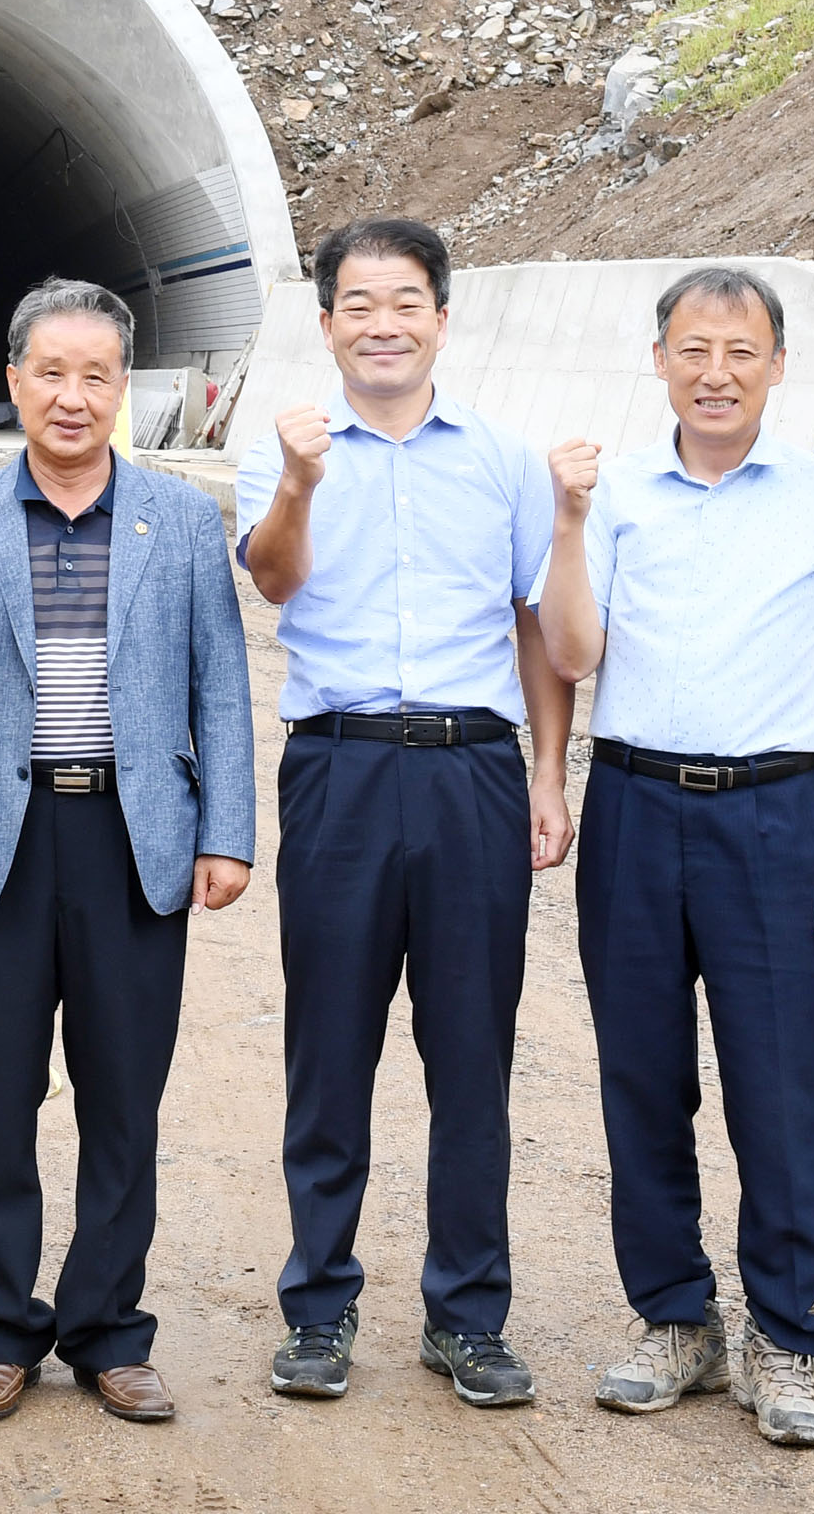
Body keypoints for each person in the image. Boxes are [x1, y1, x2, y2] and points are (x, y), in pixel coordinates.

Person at [537, 264, 814, 1450]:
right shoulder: (615, 494)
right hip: (636, 807)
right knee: (643, 1077)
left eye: (742, 353)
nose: (717, 374)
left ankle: (785, 1338)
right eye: (694, 350)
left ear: (779, 367)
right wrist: (575, 525)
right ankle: (676, 1321)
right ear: (659, 361)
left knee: (779, 1084)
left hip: (775, 817)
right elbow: (574, 655)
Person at [0, 279, 254, 1428]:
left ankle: (107, 1330)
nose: (74, 397)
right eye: (52, 373)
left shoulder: (182, 521)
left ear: (123, 388)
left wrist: (228, 833)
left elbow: (222, 687)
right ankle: (0, 1332)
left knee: (123, 1096)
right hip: (5, 831)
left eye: (98, 375)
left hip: (132, 835)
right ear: (13, 382)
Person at [233, 217, 575, 1410]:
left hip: (472, 769)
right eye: (359, 303)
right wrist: (299, 479)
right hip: (337, 767)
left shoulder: (503, 458)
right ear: (325, 323)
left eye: (406, 301)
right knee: (330, 1050)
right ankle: (319, 1309)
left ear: (442, 315)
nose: (384, 323)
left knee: (471, 1052)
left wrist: (547, 770)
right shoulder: (286, 447)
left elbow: (542, 632)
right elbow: (272, 579)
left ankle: (468, 1317)